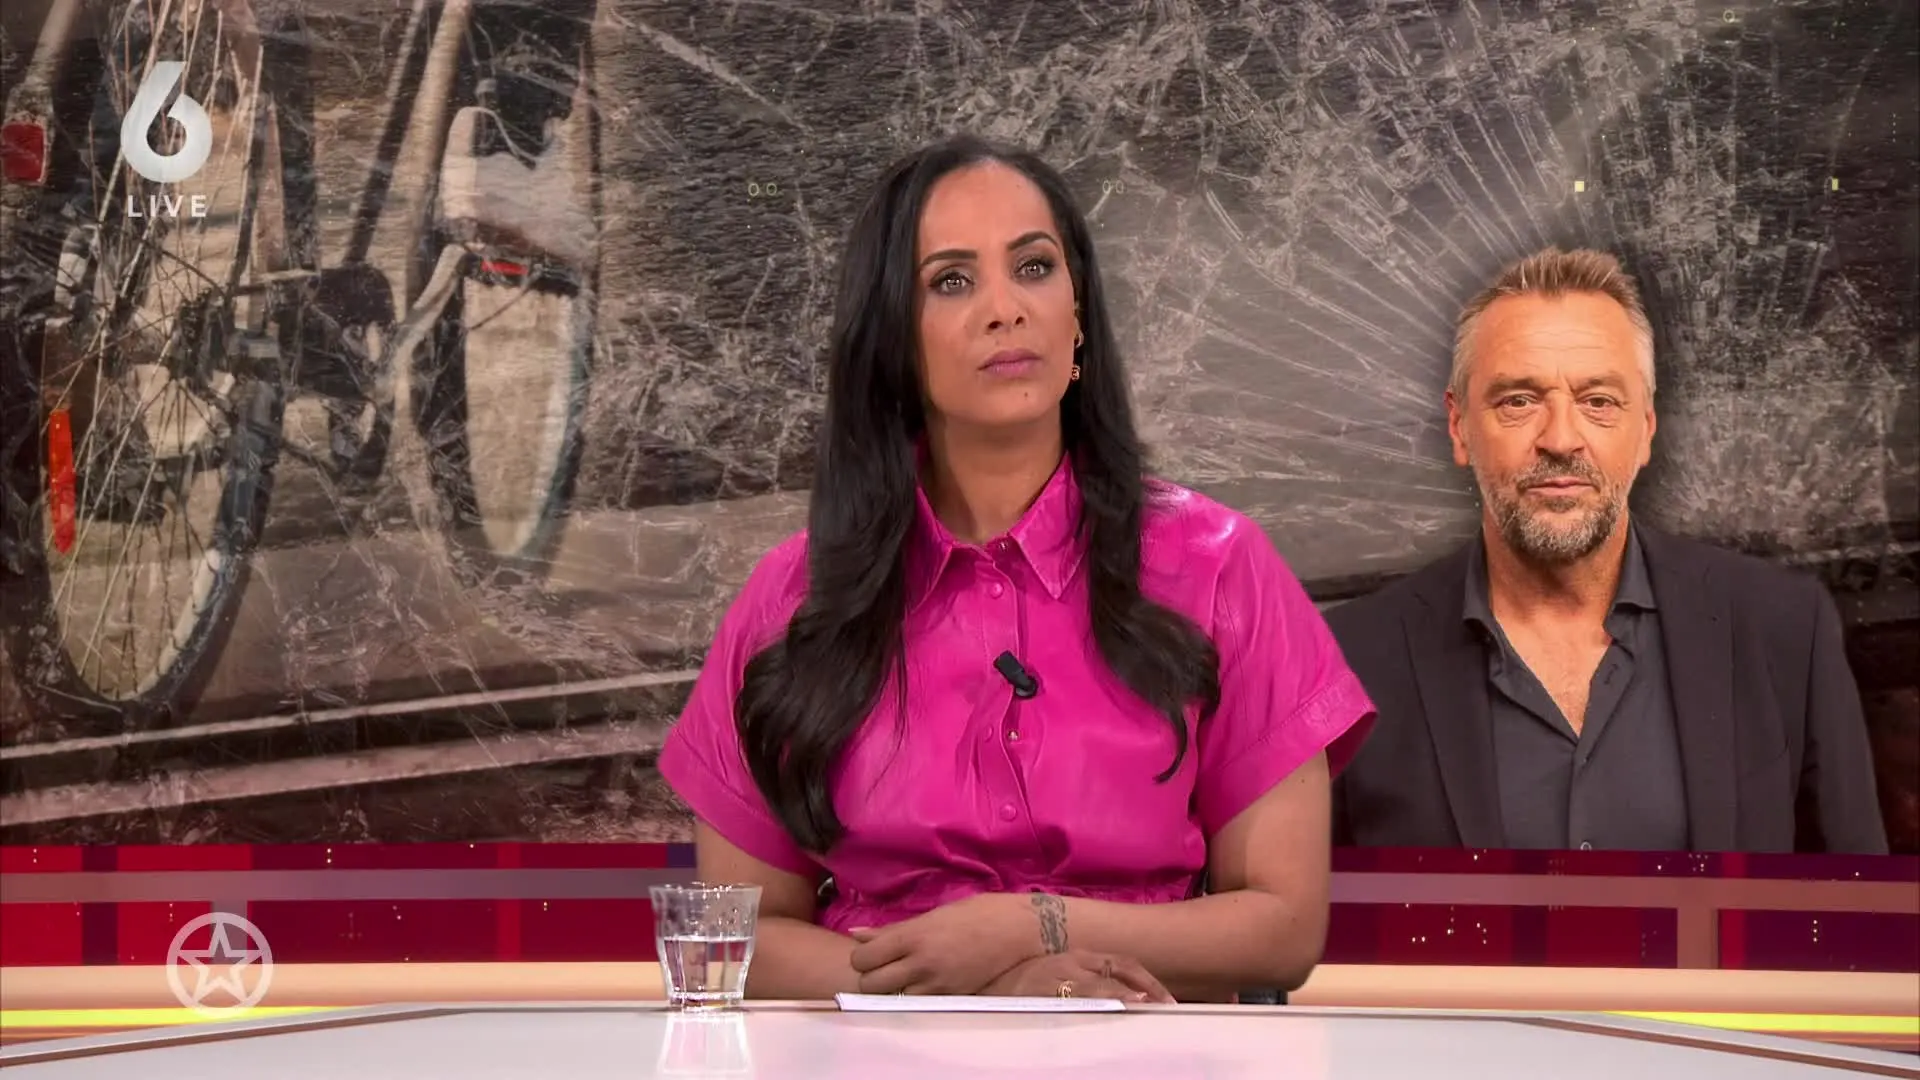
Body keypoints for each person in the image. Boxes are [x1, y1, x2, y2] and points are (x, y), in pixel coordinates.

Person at [657, 134, 1377, 1003]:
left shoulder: (1220, 567)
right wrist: (973, 991)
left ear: (1078, 315)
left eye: (1034, 268)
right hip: (874, 1052)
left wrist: (1035, 929)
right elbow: (746, 936)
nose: (1005, 309)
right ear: (893, 337)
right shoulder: (793, 599)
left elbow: (1282, 929)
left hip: (1149, 1046)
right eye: (951, 281)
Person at [1325, 246, 1888, 855]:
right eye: (1518, 401)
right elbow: (1303, 909)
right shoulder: (1347, 663)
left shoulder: (1784, 629)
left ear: (1645, 428)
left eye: (1598, 401)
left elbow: (1856, 904)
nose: (1561, 439)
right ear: (1459, 427)